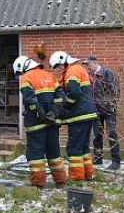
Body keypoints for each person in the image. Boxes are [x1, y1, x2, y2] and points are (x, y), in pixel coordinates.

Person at [13, 55, 66, 187]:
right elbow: (60, 97)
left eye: (20, 72)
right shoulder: (50, 76)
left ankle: (38, 183)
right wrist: (53, 113)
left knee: (35, 154)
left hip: (36, 124)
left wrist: (42, 115)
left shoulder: (27, 77)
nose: (21, 75)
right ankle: (60, 181)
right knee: (54, 152)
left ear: (23, 67)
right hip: (52, 123)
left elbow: (31, 101)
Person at [50, 51, 98, 181]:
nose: (59, 69)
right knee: (83, 147)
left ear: (63, 61)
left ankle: (77, 179)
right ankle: (88, 174)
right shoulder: (78, 69)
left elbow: (74, 94)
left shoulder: (72, 71)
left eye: (58, 66)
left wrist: (65, 108)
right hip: (86, 114)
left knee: (74, 148)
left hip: (79, 116)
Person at [83, 55, 121, 170]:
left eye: (88, 64)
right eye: (86, 65)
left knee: (111, 134)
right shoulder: (90, 76)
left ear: (94, 63)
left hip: (109, 110)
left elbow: (115, 90)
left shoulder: (107, 73)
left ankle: (116, 161)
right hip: (96, 110)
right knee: (97, 135)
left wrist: (110, 105)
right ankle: (98, 158)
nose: (87, 67)